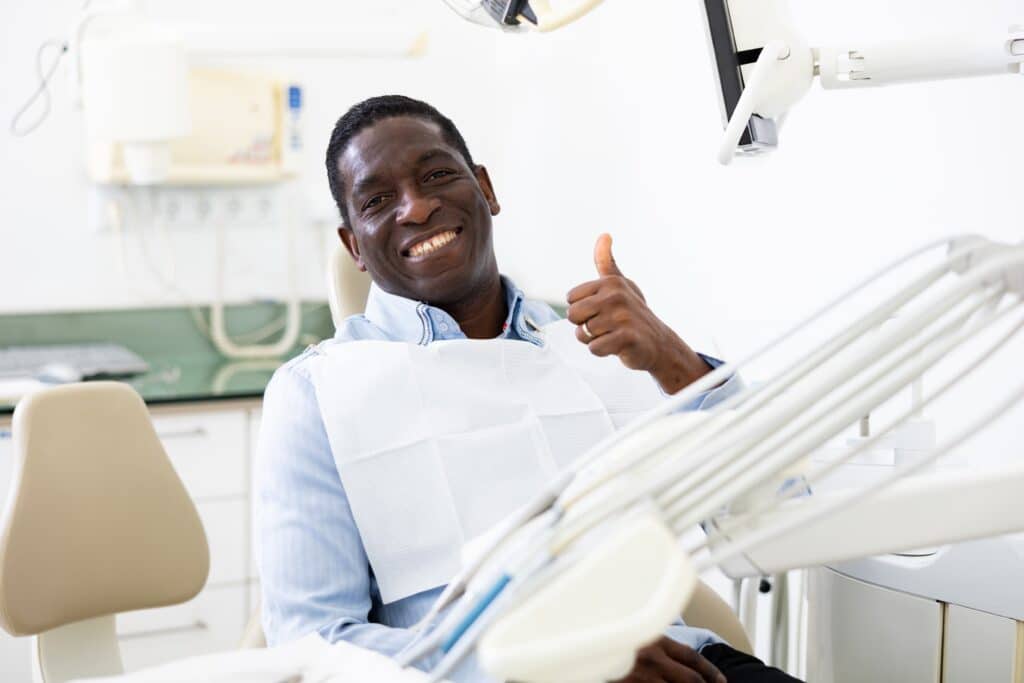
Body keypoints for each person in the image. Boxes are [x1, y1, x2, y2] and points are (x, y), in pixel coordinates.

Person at [257, 94, 801, 683]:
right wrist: (561, 666)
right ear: (354, 245)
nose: (416, 208)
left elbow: (780, 521)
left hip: (680, 664)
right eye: (378, 200)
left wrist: (674, 360)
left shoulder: (601, 343)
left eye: (437, 174)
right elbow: (313, 643)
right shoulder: (316, 395)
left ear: (485, 189)